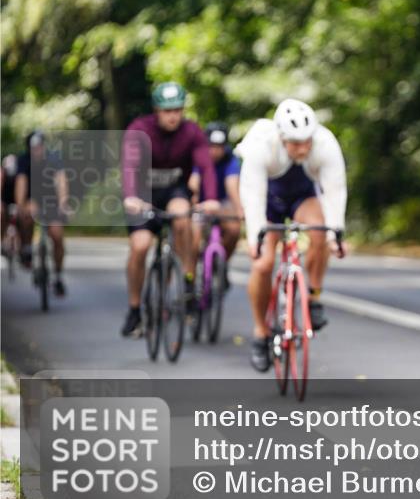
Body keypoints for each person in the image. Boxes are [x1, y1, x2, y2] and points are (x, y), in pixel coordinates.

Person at [234, 98, 347, 373]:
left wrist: (337, 235)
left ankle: (314, 296)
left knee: (321, 232)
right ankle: (261, 333)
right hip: (268, 201)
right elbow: (252, 196)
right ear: (282, 137)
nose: (303, 148)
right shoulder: (262, 144)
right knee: (262, 264)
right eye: (296, 143)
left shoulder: (325, 142)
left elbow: (334, 190)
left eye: (307, 141)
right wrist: (254, 240)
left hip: (302, 198)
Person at [120, 82, 220, 337]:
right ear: (156, 110)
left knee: (182, 215)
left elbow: (206, 166)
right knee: (140, 246)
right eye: (167, 110)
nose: (173, 115)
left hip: (174, 191)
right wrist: (131, 195)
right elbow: (130, 164)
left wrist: (210, 198)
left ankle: (187, 280)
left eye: (177, 109)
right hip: (143, 195)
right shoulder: (140, 129)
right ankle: (134, 309)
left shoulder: (192, 132)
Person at [13, 131, 71, 295]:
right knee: (26, 216)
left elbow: (61, 181)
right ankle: (27, 248)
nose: (37, 150)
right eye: (34, 148)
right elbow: (21, 183)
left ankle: (58, 276)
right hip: (32, 199)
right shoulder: (23, 160)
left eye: (39, 147)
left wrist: (63, 203)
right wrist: (22, 204)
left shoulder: (53, 159)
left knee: (57, 235)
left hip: (51, 200)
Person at [189, 122, 243, 260]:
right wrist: (194, 205)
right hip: (200, 204)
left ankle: (221, 263)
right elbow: (194, 182)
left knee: (234, 230)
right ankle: (190, 276)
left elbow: (232, 185)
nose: (215, 151)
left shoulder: (230, 159)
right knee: (192, 239)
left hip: (222, 204)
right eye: (211, 146)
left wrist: (239, 211)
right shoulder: (198, 155)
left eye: (219, 147)